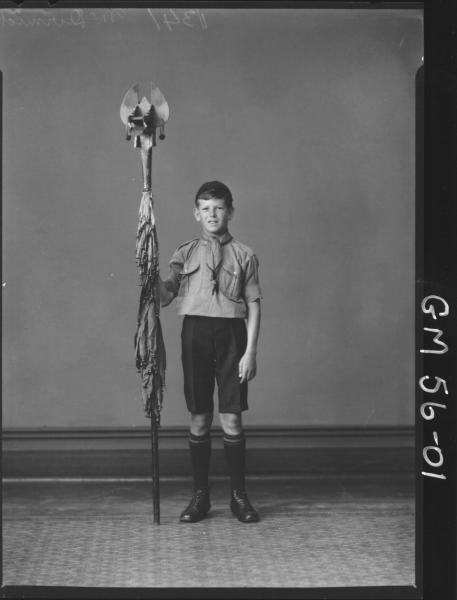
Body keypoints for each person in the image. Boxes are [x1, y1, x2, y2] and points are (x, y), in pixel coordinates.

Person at [159, 180, 262, 523]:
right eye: (205, 208)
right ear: (196, 213)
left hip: (233, 337)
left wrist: (251, 352)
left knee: (231, 416)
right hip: (195, 335)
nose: (212, 214)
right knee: (200, 416)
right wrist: (147, 276)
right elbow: (164, 295)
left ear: (230, 211)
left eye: (219, 207)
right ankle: (200, 497)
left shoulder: (244, 255)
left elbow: (254, 305)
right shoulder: (186, 252)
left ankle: (238, 497)